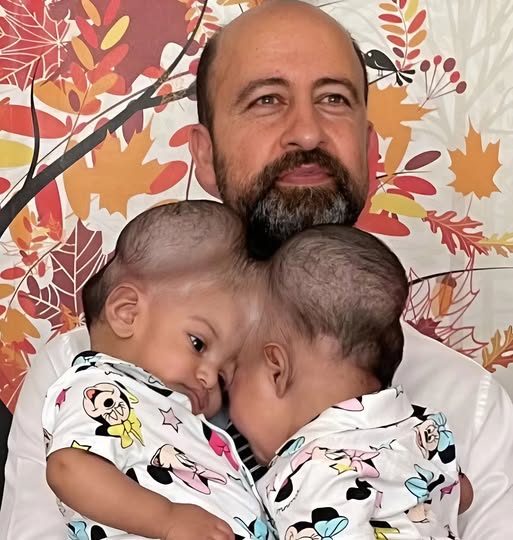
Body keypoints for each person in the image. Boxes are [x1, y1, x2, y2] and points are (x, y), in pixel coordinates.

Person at [2, 2, 512, 539]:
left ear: (368, 150)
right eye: (267, 100)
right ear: (204, 155)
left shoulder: (469, 406)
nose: (308, 133)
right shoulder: (78, 375)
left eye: (333, 99)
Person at [42, 200, 270, 540]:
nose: (210, 378)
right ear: (127, 313)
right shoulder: (102, 385)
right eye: (198, 344)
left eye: (224, 376)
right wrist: (167, 519)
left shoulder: (176, 416)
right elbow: (69, 468)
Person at [229, 224, 472, 539]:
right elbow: (462, 494)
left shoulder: (311, 474)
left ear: (276, 369)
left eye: (232, 371)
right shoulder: (419, 425)